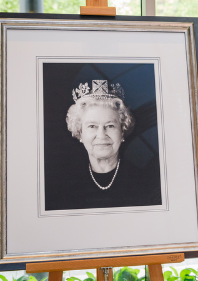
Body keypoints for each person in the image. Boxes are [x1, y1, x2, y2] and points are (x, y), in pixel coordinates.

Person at [44, 79, 162, 211]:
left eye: (110, 126)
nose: (101, 135)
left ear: (122, 131)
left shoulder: (147, 185)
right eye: (92, 126)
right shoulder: (62, 188)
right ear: (80, 133)